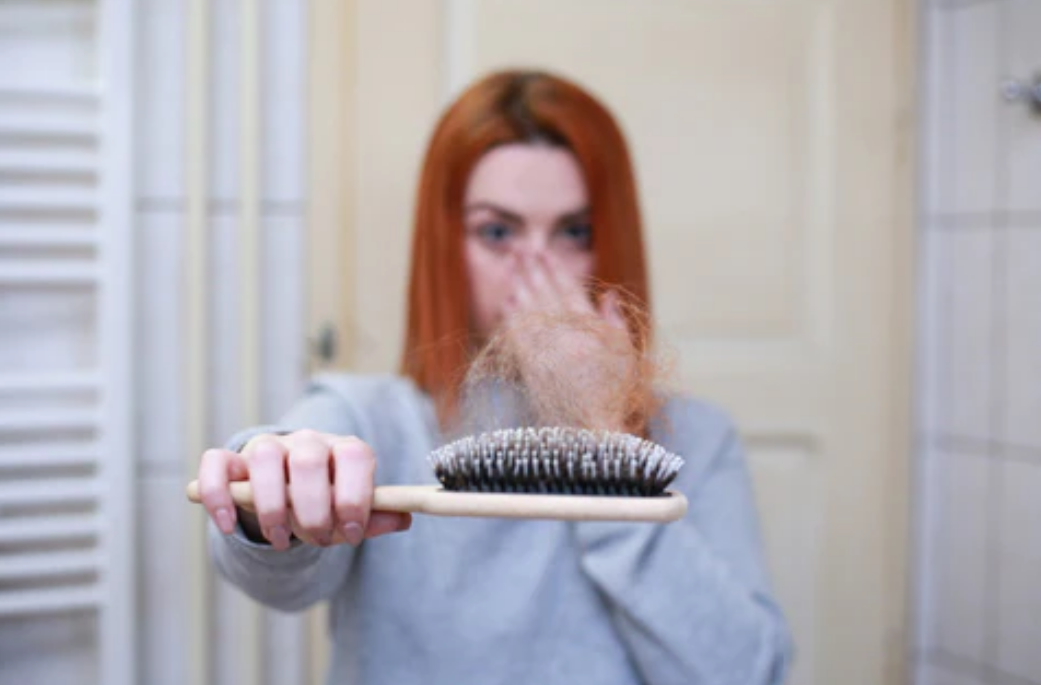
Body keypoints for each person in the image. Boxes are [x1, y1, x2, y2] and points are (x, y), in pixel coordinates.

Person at [197, 69, 793, 685]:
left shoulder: (697, 438)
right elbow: (275, 574)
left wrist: (604, 439)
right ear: (445, 243)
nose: (537, 270)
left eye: (574, 232)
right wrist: (271, 497)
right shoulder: (366, 419)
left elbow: (749, 672)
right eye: (498, 232)